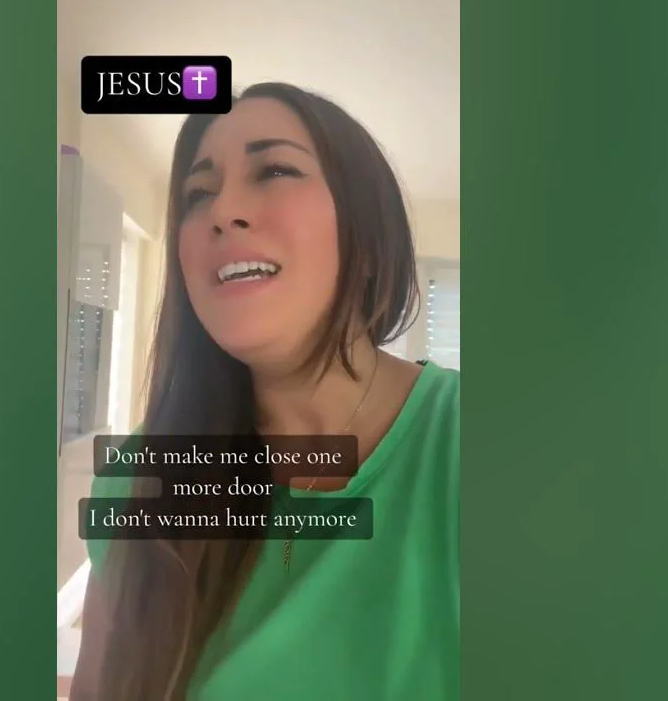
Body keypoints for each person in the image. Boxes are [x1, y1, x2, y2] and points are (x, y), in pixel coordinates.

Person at [71, 82, 460, 700]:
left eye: (275, 170)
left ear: (365, 233)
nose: (223, 210)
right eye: (198, 193)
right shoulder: (140, 479)